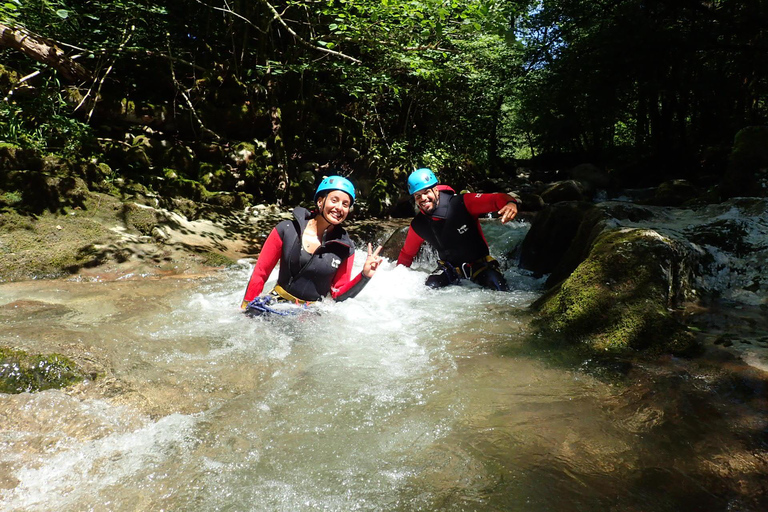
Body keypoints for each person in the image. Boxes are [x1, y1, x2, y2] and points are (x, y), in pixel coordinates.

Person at [241, 175, 383, 313]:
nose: (339, 207)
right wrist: (246, 308)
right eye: (334, 200)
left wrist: (364, 276)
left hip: (312, 315)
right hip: (277, 306)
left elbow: (338, 295)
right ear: (320, 202)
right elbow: (260, 273)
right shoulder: (287, 229)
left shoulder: (346, 248)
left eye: (345, 204)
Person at [396, 168, 519, 291]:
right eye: (418, 196)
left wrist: (510, 203)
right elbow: (407, 254)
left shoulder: (462, 203)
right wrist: (397, 278)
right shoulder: (418, 225)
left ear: (436, 190)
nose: (423, 198)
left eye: (426, 192)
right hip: (450, 270)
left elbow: (496, 199)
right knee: (430, 286)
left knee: (498, 285)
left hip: (479, 266)